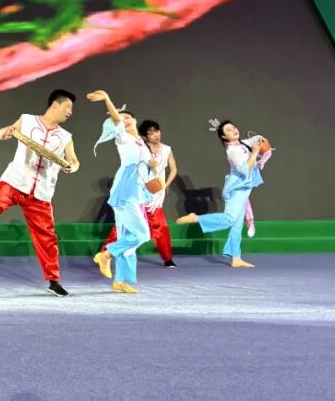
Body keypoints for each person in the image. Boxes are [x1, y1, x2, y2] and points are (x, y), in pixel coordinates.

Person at [0, 89, 80, 297]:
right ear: (55, 104)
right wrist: (6, 132)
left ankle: (53, 281)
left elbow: (74, 160)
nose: (70, 112)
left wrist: (72, 166)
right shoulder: (27, 121)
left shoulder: (65, 137)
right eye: (68, 107)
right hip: (16, 180)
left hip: (41, 192)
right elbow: (2, 134)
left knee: (46, 237)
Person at [177, 119, 270, 268]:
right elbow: (245, 170)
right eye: (229, 130)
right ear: (224, 137)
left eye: (233, 127)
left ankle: (236, 258)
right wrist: (255, 152)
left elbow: (257, 140)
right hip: (236, 188)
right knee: (230, 219)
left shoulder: (242, 143)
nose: (234, 130)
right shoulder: (232, 151)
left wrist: (261, 142)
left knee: (237, 225)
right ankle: (197, 218)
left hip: (244, 188)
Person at [87, 90, 152, 294]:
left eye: (127, 117)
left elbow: (146, 167)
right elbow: (116, 120)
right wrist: (107, 99)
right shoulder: (122, 137)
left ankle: (120, 281)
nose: (124, 120)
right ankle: (105, 255)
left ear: (135, 120)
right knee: (142, 234)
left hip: (137, 190)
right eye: (121, 119)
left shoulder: (141, 143)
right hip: (125, 189)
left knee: (128, 235)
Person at [100, 120, 177, 268]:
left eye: (157, 131)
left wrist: (165, 185)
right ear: (145, 136)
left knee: (160, 226)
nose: (156, 135)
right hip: (137, 191)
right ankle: (104, 253)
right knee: (124, 225)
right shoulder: (140, 147)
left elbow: (173, 169)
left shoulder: (167, 149)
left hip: (156, 193)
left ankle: (167, 258)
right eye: (151, 133)